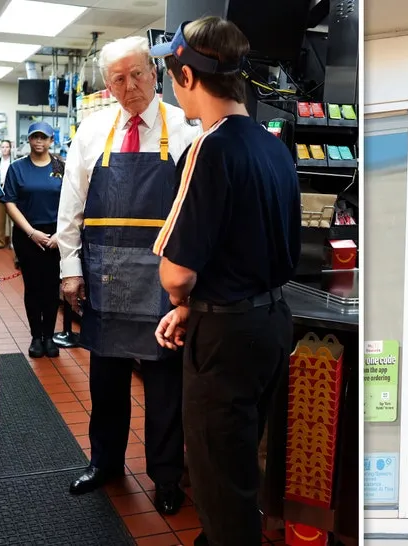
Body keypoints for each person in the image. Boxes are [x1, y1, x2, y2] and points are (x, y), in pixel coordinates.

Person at [150, 16, 300, 546]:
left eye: (171, 73)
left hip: (227, 342)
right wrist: (198, 304)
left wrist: (179, 297)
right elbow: (253, 246)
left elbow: (177, 269)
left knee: (218, 481)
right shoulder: (273, 147)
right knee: (239, 466)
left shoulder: (207, 149)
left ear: (187, 76)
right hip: (270, 324)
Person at [56, 34, 200, 514]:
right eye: (118, 78)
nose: (130, 84)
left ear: (154, 73)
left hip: (164, 285)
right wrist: (70, 269)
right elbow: (71, 207)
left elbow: (197, 213)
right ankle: (105, 464)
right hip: (105, 281)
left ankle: (165, 477)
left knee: (164, 391)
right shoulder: (92, 130)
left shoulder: (187, 128)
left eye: (137, 73)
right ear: (107, 85)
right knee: (106, 384)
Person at [1, 123, 63, 358]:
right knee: (33, 288)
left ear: (50, 141)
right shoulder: (18, 168)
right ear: (28, 140)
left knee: (51, 288)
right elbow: (9, 202)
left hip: (55, 236)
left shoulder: (60, 168)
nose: (39, 141)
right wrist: (30, 232)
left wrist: (61, 234)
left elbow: (71, 202)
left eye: (43, 137)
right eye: (34, 137)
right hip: (28, 234)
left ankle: (49, 336)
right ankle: (36, 337)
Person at [0, 139, 12, 249]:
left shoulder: (14, 161)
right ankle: (0, 241)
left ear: (10, 148)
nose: (5, 149)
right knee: (0, 219)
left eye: (7, 147)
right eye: (3, 147)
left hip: (12, 193)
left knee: (13, 220)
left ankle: (12, 242)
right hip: (0, 193)